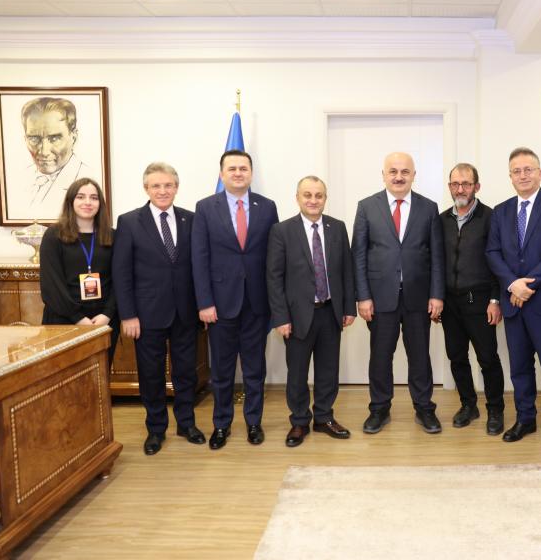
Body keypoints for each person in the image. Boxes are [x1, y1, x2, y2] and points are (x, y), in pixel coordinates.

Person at [486, 147, 541, 452]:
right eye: (517, 171)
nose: (523, 175)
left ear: (540, 173)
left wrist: (527, 285)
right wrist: (513, 284)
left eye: (528, 169)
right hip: (513, 302)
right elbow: (492, 253)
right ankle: (525, 419)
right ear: (510, 176)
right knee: (520, 367)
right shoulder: (501, 211)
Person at [112, 162, 204, 456]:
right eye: (156, 186)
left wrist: (202, 306)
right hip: (146, 314)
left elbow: (199, 266)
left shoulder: (191, 219)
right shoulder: (129, 222)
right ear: (146, 189)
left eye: (168, 185)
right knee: (151, 374)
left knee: (186, 373)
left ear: (176, 187)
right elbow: (121, 273)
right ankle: (155, 429)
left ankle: (186, 424)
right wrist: (128, 314)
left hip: (185, 312)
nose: (162, 191)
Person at [352, 152, 445, 435]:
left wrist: (437, 295)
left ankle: (424, 408)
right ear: (384, 175)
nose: (399, 176)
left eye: (405, 171)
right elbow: (359, 255)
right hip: (380, 298)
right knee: (381, 357)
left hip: (419, 297)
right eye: (393, 171)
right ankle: (379, 409)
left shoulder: (429, 208)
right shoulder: (367, 207)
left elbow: (437, 256)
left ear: (414, 175)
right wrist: (363, 296)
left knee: (420, 356)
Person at [191, 150, 278, 450]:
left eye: (243, 168)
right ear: (222, 174)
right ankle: (221, 424)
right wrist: (204, 302)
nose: (238, 173)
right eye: (232, 168)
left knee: (255, 369)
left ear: (251, 173)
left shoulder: (267, 207)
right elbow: (199, 258)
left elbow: (274, 257)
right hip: (220, 304)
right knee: (222, 371)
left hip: (257, 303)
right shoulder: (205, 208)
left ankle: (254, 422)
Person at [266, 176, 356, 447]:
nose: (313, 200)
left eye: (319, 195)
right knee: (297, 373)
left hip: (330, 312)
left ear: (325, 198)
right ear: (298, 198)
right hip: (296, 317)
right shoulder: (282, 231)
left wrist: (348, 307)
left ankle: (324, 417)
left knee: (329, 371)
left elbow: (346, 270)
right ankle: (299, 421)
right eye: (307, 195)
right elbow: (274, 278)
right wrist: (281, 317)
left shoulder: (337, 227)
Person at [439, 163, 505, 434]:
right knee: (456, 357)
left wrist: (495, 300)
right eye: (455, 184)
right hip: (449, 302)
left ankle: (495, 409)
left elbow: (499, 261)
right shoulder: (441, 220)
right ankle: (468, 405)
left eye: (466, 184)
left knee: (487, 358)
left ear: (476, 186)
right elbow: (435, 262)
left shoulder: (491, 217)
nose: (460, 189)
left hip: (479, 301)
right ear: (449, 187)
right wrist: (436, 298)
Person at [39, 178, 118, 353]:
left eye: (94, 198)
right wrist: (78, 317)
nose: (88, 202)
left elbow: (120, 279)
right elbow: (52, 285)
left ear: (100, 203)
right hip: (63, 319)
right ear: (71, 201)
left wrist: (107, 314)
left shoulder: (113, 236)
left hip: (103, 320)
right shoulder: (54, 235)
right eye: (81, 197)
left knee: (100, 370)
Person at [20, 97, 94, 218]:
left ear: (73, 137)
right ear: (25, 139)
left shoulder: (89, 177)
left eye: (54, 138)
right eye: (34, 138)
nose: (44, 151)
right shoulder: (20, 177)